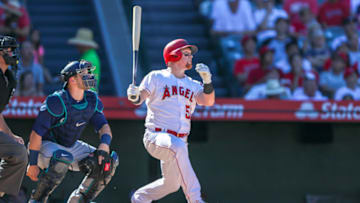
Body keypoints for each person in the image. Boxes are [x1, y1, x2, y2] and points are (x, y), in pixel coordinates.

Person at [127, 39, 215, 203]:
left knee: (171, 184)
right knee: (178, 147)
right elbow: (139, 98)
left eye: (190, 55)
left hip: (180, 141)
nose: (191, 58)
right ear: (174, 55)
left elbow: (208, 101)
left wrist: (208, 82)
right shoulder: (156, 77)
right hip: (156, 136)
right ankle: (196, 199)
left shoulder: (193, 84)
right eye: (186, 54)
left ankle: (139, 198)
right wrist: (133, 94)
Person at [26, 60, 118, 202]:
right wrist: (32, 164)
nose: (90, 76)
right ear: (72, 80)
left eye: (89, 73)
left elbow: (104, 126)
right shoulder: (57, 100)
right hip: (44, 146)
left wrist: (104, 145)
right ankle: (38, 199)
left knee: (107, 162)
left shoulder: (91, 98)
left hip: (70, 146)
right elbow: (35, 134)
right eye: (85, 74)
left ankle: (80, 199)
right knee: (63, 157)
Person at [0, 35, 28, 198]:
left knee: (18, 153)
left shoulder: (8, 78)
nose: (11, 53)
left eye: (12, 50)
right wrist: (10, 135)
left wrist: (10, 136)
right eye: (7, 50)